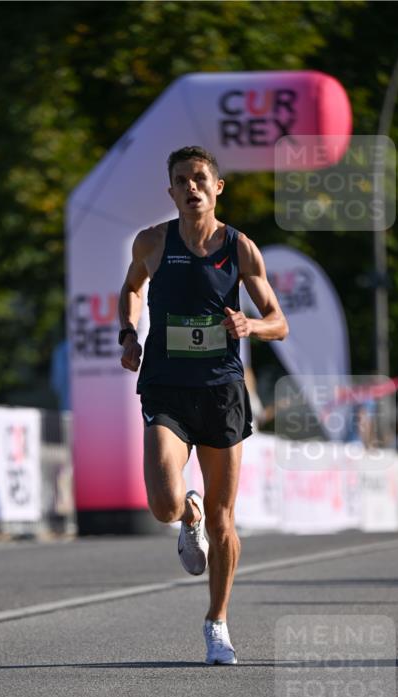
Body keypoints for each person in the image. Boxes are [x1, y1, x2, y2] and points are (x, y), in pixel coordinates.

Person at [118, 146, 288, 664]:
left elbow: (278, 319)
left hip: (221, 390)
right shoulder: (151, 242)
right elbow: (131, 288)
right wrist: (128, 333)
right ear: (170, 191)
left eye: (199, 179)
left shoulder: (240, 249)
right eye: (180, 180)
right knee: (164, 505)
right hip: (167, 385)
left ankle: (217, 622)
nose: (190, 187)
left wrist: (251, 325)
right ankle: (184, 514)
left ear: (218, 188)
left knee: (223, 521)